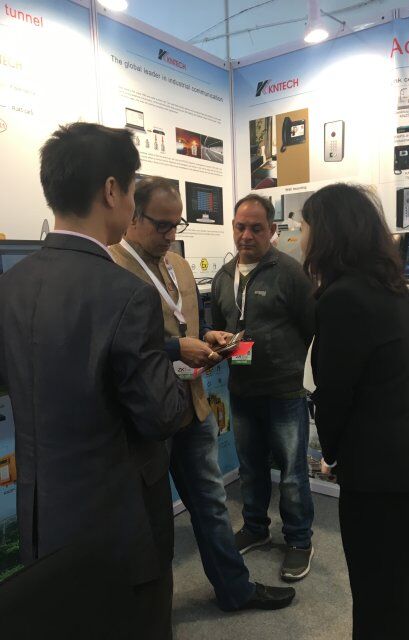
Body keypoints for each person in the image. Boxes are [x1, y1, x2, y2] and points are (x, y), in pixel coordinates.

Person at [0, 123, 187, 640]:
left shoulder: (11, 286)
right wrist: (178, 375)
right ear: (110, 190)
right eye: (130, 191)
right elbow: (161, 415)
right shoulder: (126, 293)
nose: (130, 204)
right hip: (122, 525)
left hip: (41, 518)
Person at [110, 177, 296, 611]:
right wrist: (175, 348)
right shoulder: (111, 268)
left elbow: (186, 323)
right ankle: (150, 613)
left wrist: (207, 336)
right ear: (132, 217)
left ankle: (235, 590)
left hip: (191, 407)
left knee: (211, 503)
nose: (170, 235)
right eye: (161, 225)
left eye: (177, 224)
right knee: (149, 520)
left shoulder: (179, 265)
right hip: (144, 419)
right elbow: (114, 351)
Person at [301, 183, 409, 640]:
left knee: (376, 597)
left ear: (327, 232)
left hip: (381, 474)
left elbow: (334, 394)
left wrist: (331, 452)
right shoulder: (391, 286)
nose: (300, 236)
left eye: (304, 226)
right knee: (399, 589)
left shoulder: (342, 298)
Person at [211, 193, 315, 581]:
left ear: (272, 230)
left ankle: (299, 540)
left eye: (256, 228)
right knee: (251, 468)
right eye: (240, 227)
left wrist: (286, 361)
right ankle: (256, 528)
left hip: (285, 391)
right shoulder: (223, 277)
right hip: (242, 389)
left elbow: (310, 327)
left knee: (291, 473)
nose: (246, 235)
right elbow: (218, 325)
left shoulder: (290, 272)